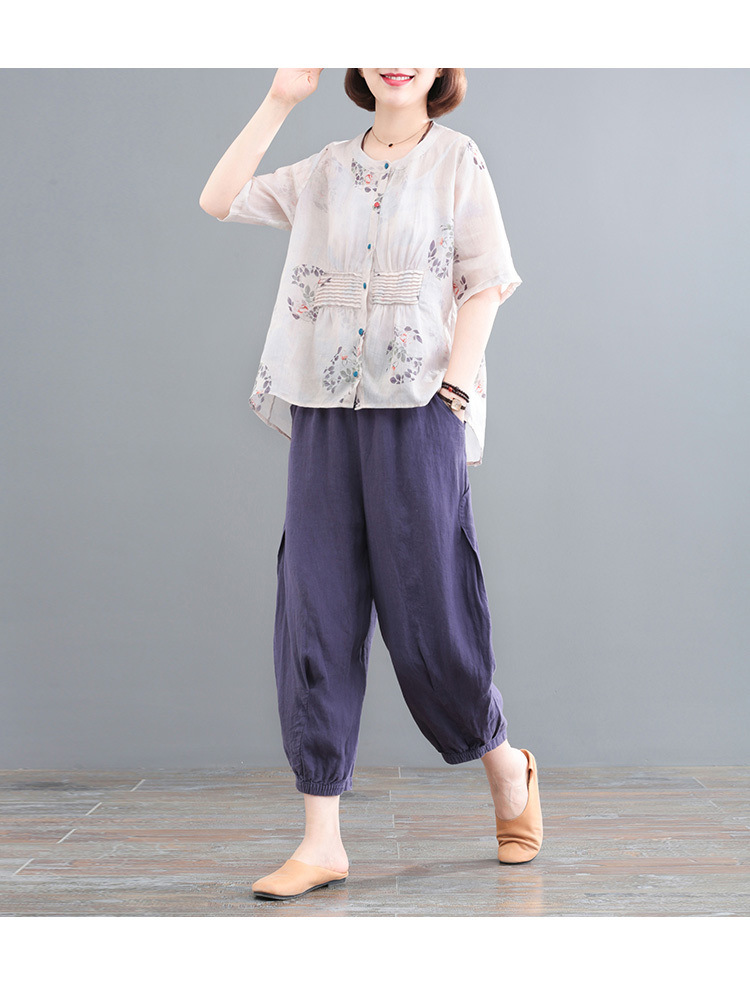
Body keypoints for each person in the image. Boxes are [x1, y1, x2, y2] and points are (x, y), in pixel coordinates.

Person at [200, 68, 543, 901]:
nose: (397, 56)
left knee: (432, 618)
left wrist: (454, 389)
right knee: (314, 608)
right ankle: (321, 838)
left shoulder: (458, 159)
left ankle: (504, 761)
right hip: (323, 410)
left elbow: (487, 280)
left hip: (421, 409)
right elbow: (220, 198)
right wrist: (281, 98)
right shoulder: (323, 168)